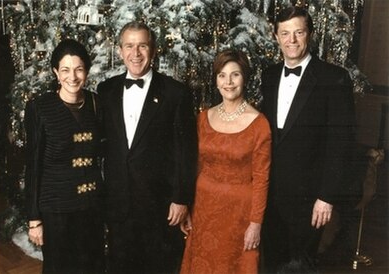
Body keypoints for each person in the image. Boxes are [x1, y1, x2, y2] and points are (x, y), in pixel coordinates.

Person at [96, 21, 198, 273]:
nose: (136, 53)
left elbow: (186, 151)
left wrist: (181, 198)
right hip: (118, 204)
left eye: (142, 45)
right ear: (120, 51)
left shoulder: (176, 93)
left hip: (160, 206)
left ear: (153, 51)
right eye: (129, 46)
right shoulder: (105, 91)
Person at [260, 6, 356, 273]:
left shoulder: (334, 78)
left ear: (309, 34)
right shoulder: (268, 76)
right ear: (276, 36)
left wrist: (326, 196)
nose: (292, 40)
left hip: (310, 199)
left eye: (298, 32)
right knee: (273, 263)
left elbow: (342, 143)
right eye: (285, 33)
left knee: (302, 267)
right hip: (272, 196)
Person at [180, 49, 271, 274]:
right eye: (222, 75)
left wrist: (255, 224)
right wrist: (188, 208)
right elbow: (195, 167)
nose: (228, 82)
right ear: (216, 80)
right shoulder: (202, 118)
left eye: (235, 75)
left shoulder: (259, 124)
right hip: (203, 210)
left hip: (239, 216)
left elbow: (261, 179)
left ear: (245, 78)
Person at [25, 39, 105, 274]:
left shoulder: (95, 103)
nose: (73, 76)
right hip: (56, 210)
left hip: (91, 207)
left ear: (87, 71)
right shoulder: (39, 108)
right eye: (65, 70)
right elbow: (33, 166)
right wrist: (34, 219)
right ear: (55, 73)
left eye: (79, 69)